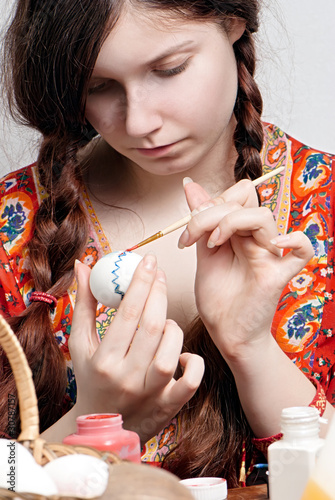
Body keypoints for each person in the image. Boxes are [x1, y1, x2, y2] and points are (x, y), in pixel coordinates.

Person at [0, 0, 334, 488]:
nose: (138, 123)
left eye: (168, 69)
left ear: (233, 21)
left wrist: (251, 349)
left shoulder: (321, 204)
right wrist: (94, 420)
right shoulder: (16, 224)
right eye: (97, 86)